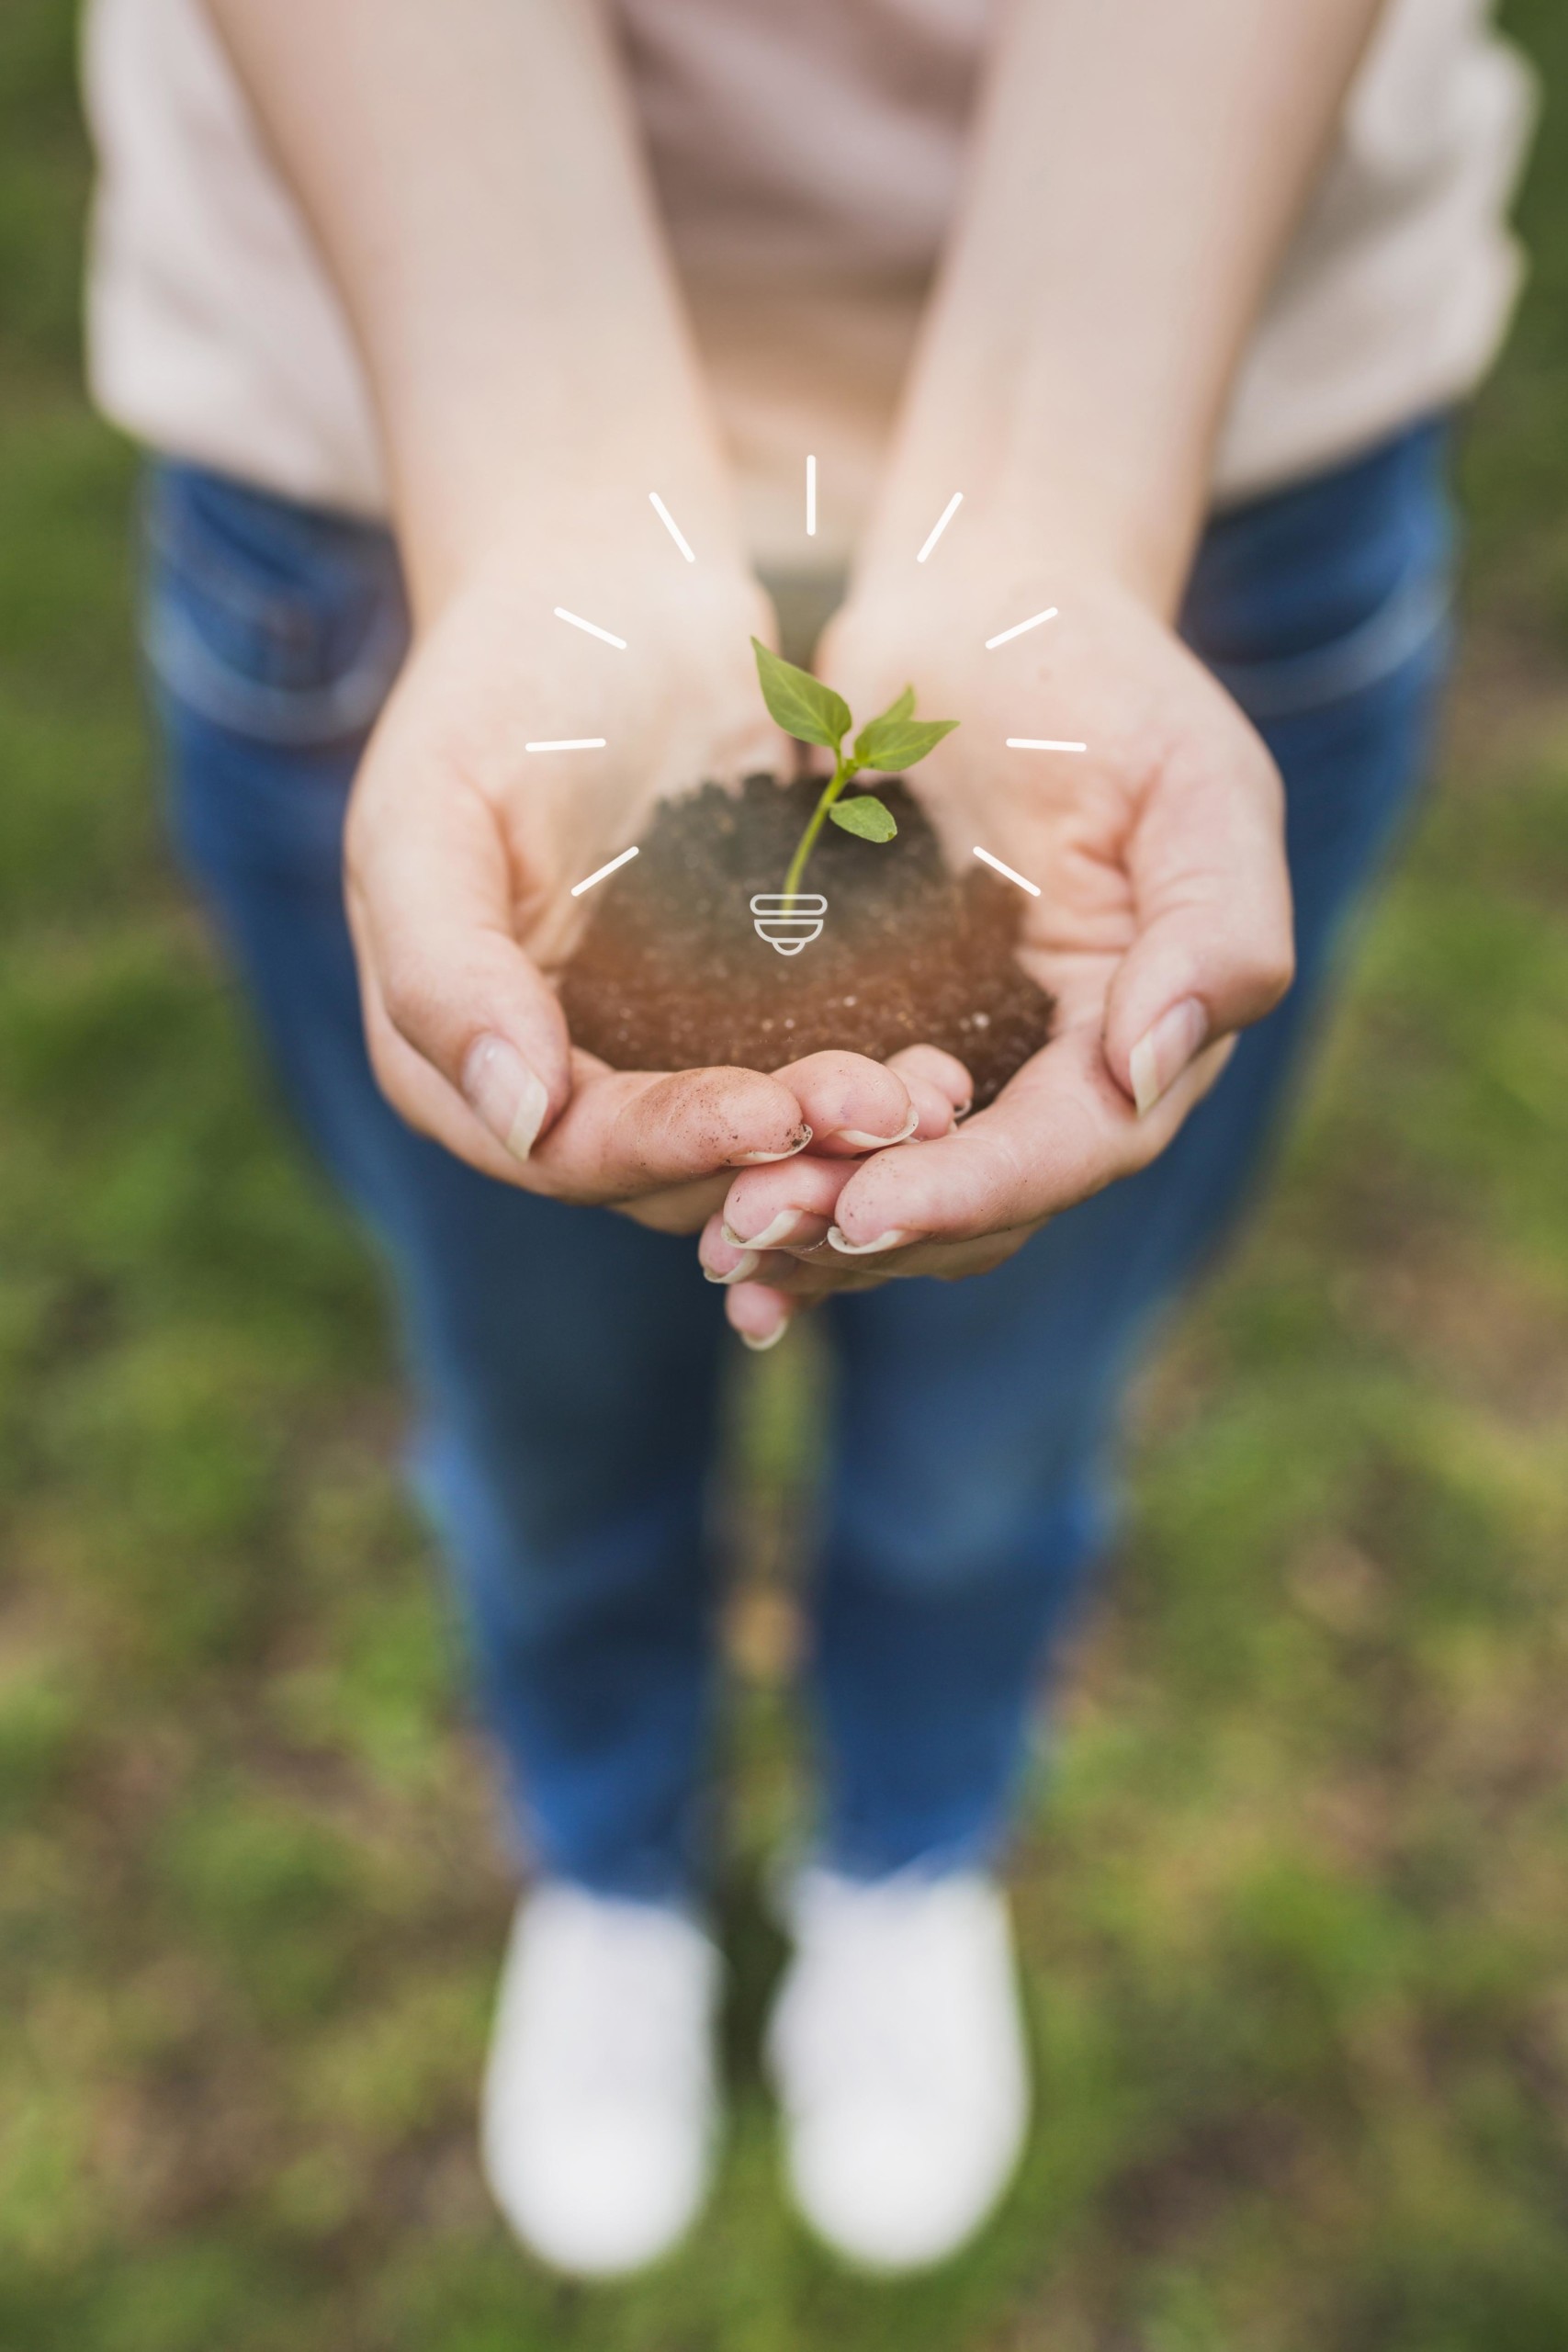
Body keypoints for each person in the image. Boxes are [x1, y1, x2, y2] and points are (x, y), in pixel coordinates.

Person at [83, 0, 1532, 2282]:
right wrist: (545, 496)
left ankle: (905, 1843)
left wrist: (1060, 501)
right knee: (539, 1421)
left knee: (997, 1439)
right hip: (378, 434)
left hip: (1225, 423)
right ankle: (611, 1862)